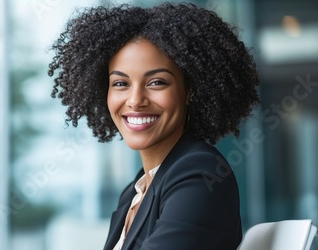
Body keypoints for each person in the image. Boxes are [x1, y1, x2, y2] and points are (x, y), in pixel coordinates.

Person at [48, 2, 259, 250]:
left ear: (189, 90)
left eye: (157, 82)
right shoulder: (134, 192)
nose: (136, 100)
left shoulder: (201, 174)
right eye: (120, 84)